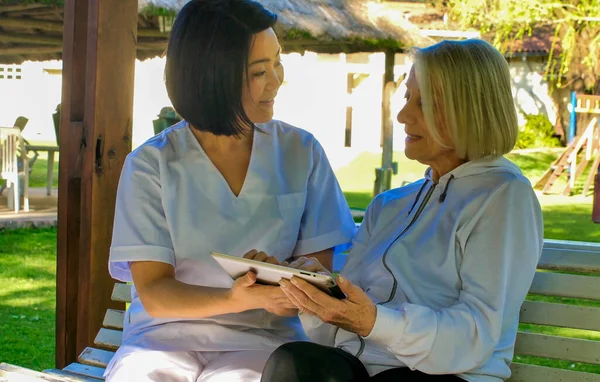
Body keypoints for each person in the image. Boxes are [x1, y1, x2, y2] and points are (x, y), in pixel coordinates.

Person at [261, 39, 544, 382]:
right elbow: (336, 338)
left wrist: (375, 322)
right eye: (408, 97)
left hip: (443, 376)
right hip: (358, 370)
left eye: (424, 103)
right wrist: (314, 297)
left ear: (470, 109)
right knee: (294, 360)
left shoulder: (502, 196)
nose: (403, 115)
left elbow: (476, 334)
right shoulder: (388, 206)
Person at [104, 0, 356, 381]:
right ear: (213, 76)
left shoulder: (301, 152)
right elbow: (155, 292)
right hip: (162, 341)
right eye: (259, 71)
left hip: (262, 341)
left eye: (278, 62)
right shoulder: (151, 164)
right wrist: (233, 299)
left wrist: (291, 285)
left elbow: (317, 271)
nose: (276, 80)